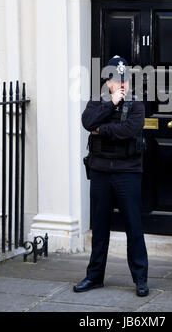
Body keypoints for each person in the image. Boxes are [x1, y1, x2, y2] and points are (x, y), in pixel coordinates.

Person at [73, 55, 149, 297]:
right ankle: (94, 277)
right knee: (100, 226)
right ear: (108, 81)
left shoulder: (136, 103)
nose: (122, 83)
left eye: (125, 78)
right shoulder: (98, 102)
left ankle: (140, 279)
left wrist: (101, 130)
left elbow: (130, 130)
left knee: (133, 226)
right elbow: (87, 122)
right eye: (117, 79)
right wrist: (110, 104)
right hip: (101, 172)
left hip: (127, 172)